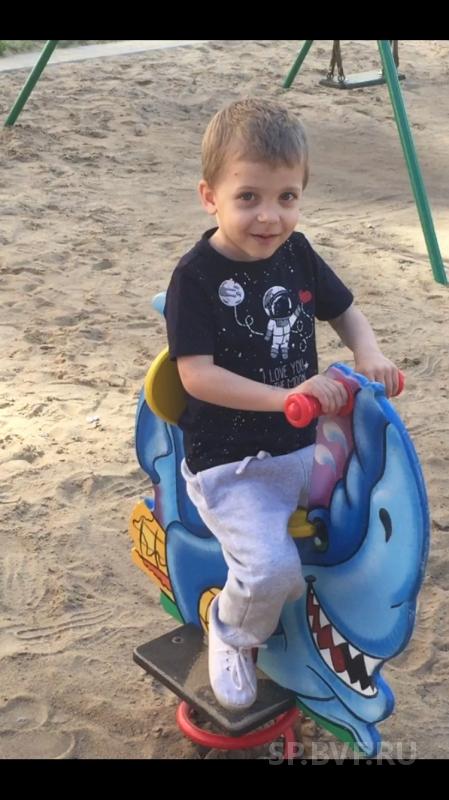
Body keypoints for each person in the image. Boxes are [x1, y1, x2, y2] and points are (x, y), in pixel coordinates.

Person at [164, 98, 400, 711]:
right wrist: (286, 397)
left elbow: (345, 310)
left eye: (287, 197)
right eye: (248, 197)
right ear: (210, 196)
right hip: (233, 465)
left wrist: (368, 351)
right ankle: (232, 630)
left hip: (300, 447)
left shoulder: (297, 254)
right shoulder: (196, 277)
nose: (270, 216)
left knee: (371, 511)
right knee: (273, 570)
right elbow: (196, 376)